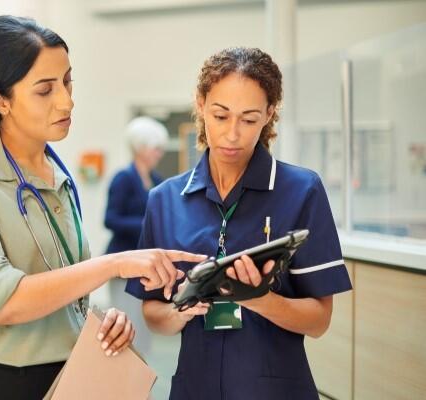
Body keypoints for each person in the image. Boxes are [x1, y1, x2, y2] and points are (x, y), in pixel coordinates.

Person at [0, 15, 204, 400]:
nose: (67, 100)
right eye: (45, 90)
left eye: (67, 81)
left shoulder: (56, 171)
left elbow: (62, 288)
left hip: (67, 376)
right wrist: (113, 264)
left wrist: (96, 322)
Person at [126, 47, 353, 399]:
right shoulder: (165, 200)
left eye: (248, 119)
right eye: (220, 116)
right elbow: (152, 311)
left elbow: (319, 320)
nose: (233, 134)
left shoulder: (302, 190)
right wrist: (181, 311)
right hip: (193, 388)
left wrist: (259, 299)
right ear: (201, 104)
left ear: (269, 114)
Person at [104, 116, 168, 355]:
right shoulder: (123, 179)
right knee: (125, 330)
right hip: (122, 268)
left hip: (145, 270)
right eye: (156, 148)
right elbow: (110, 219)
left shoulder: (157, 181)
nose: (159, 153)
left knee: (143, 335)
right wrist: (145, 225)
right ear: (141, 147)